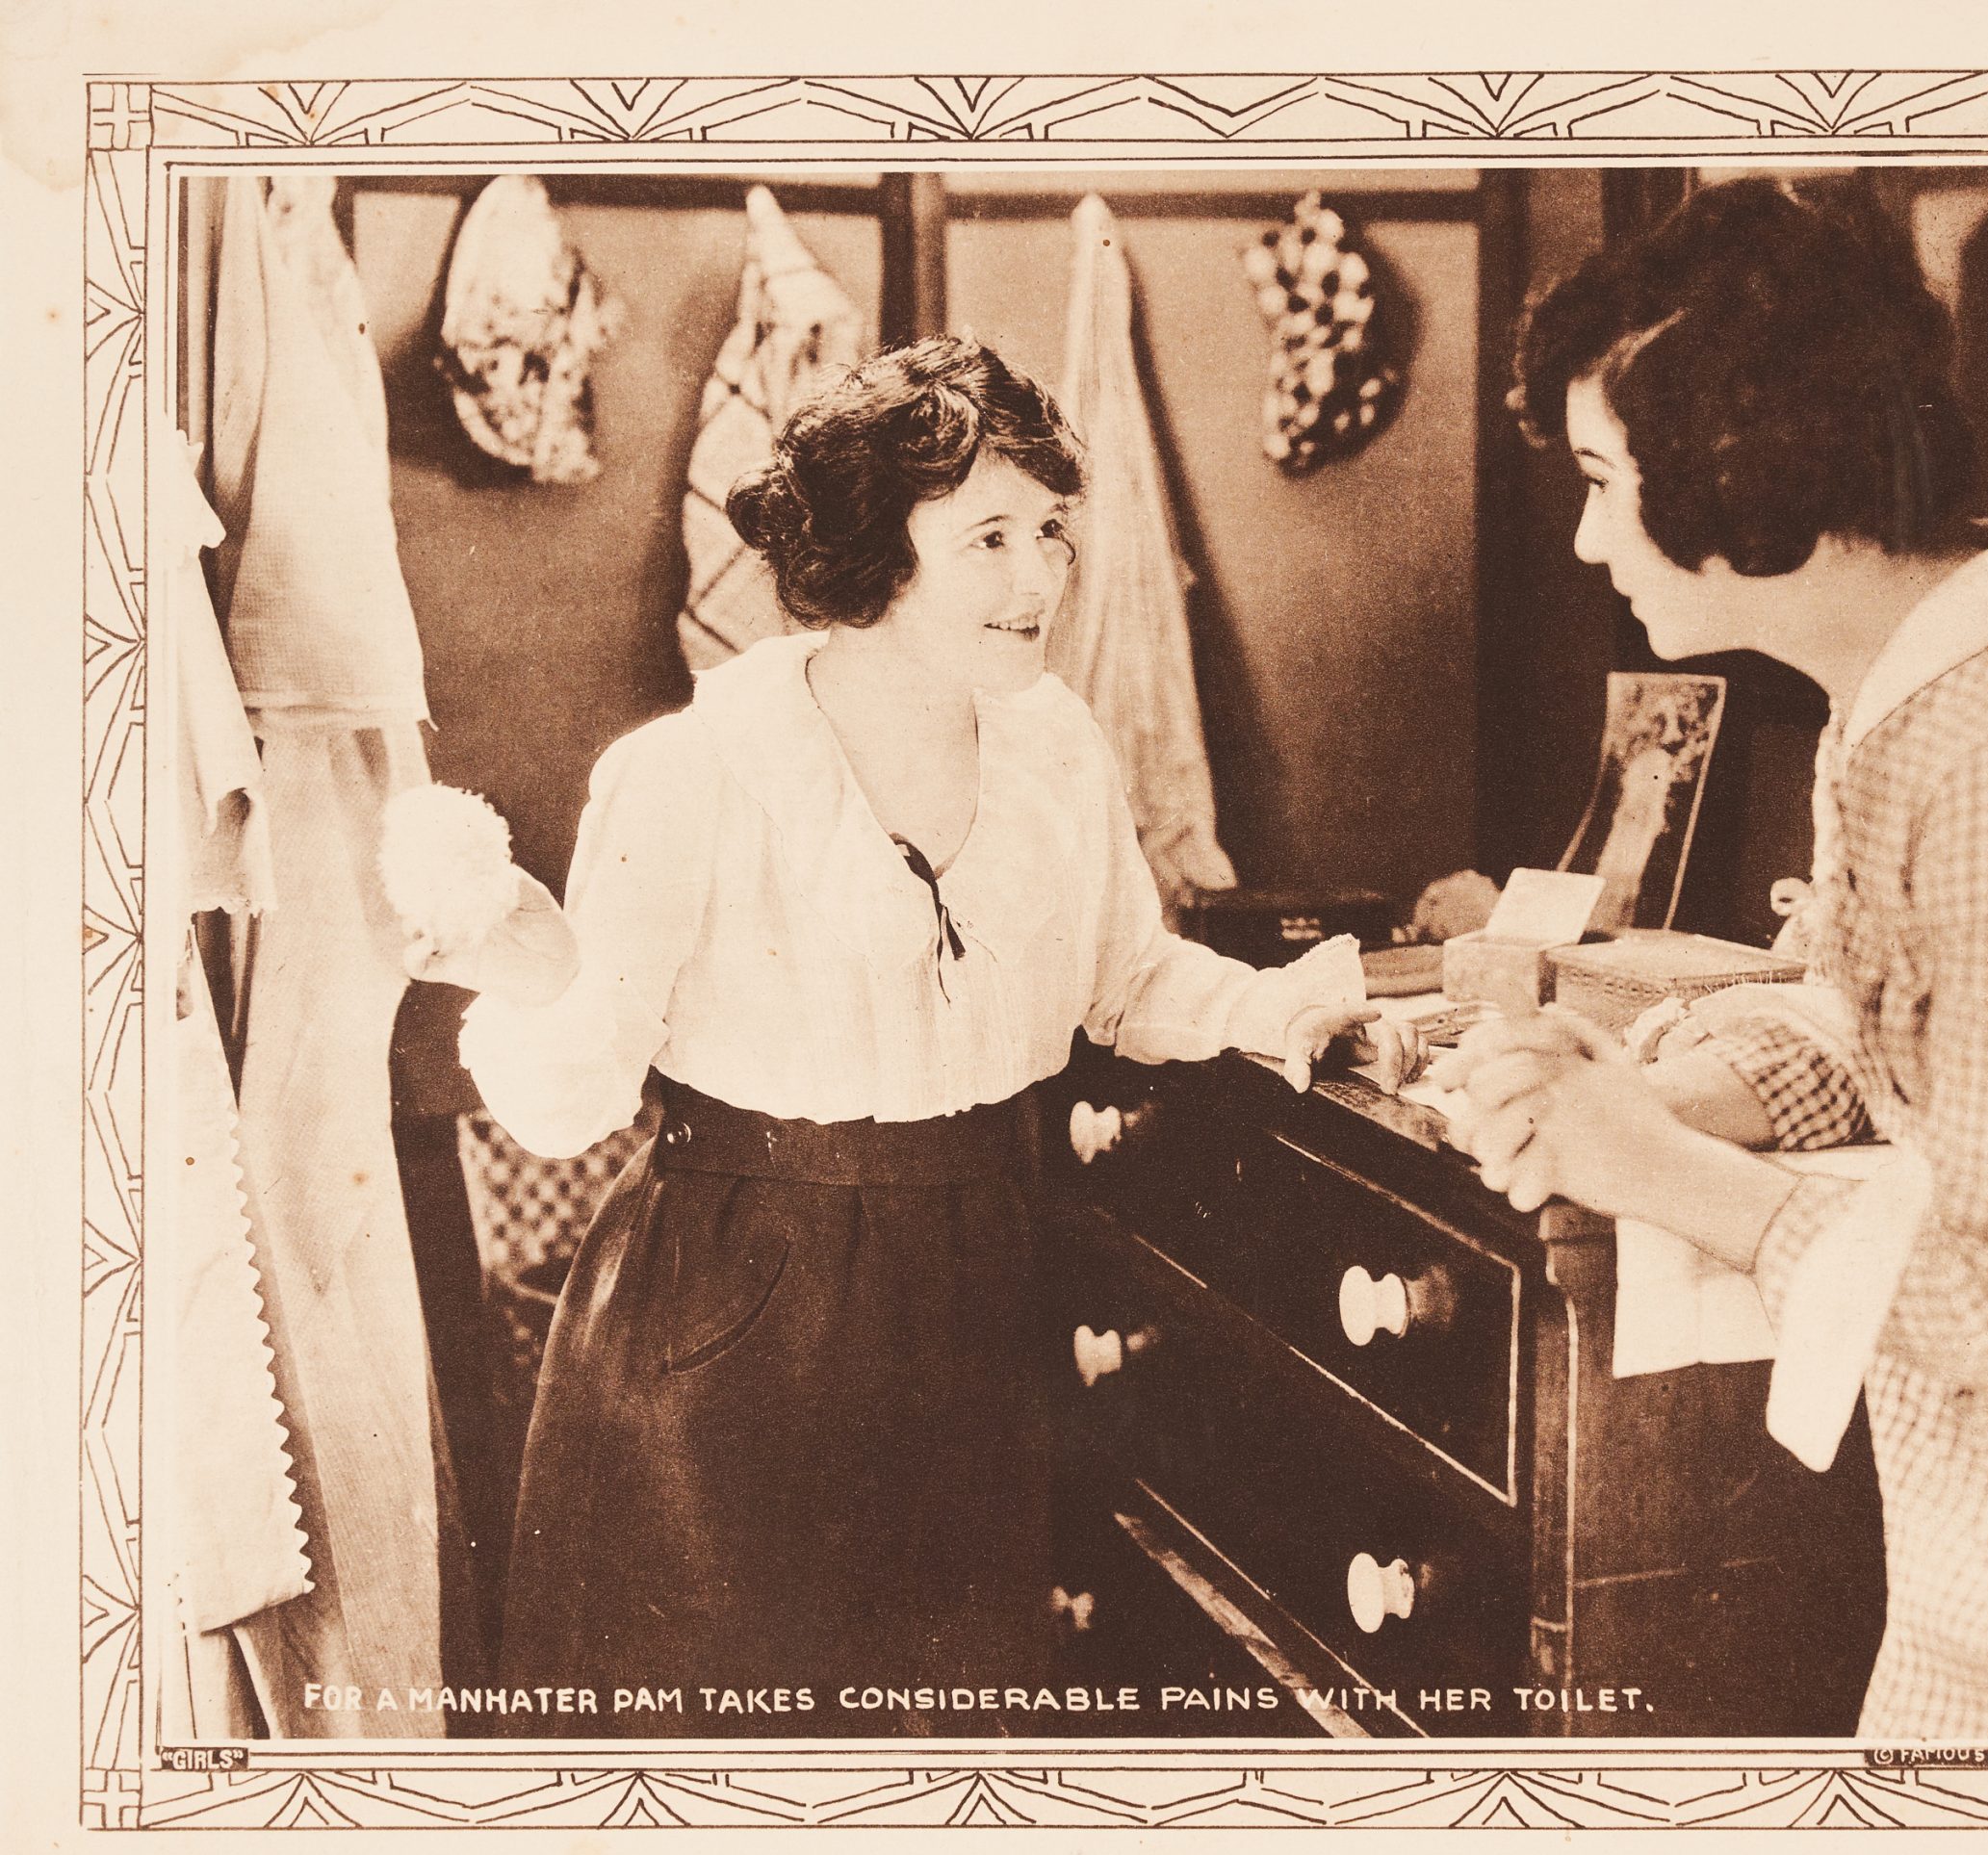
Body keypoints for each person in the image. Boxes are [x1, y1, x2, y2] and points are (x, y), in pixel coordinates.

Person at [407, 337, 1410, 1735]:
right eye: (989, 537)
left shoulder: (1058, 746)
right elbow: (575, 1099)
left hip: (977, 1287)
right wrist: (530, 966)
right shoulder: (690, 775)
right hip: (731, 1317)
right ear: (877, 551)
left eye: (1052, 531)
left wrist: (1280, 1008)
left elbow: (1121, 974)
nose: (1039, 578)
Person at [1437, 179, 1988, 1742]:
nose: (1583, 533)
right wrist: (1653, 1092)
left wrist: (1654, 1168)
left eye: (1607, 479)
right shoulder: (1919, 688)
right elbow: (1857, 1000)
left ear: (1748, 478)